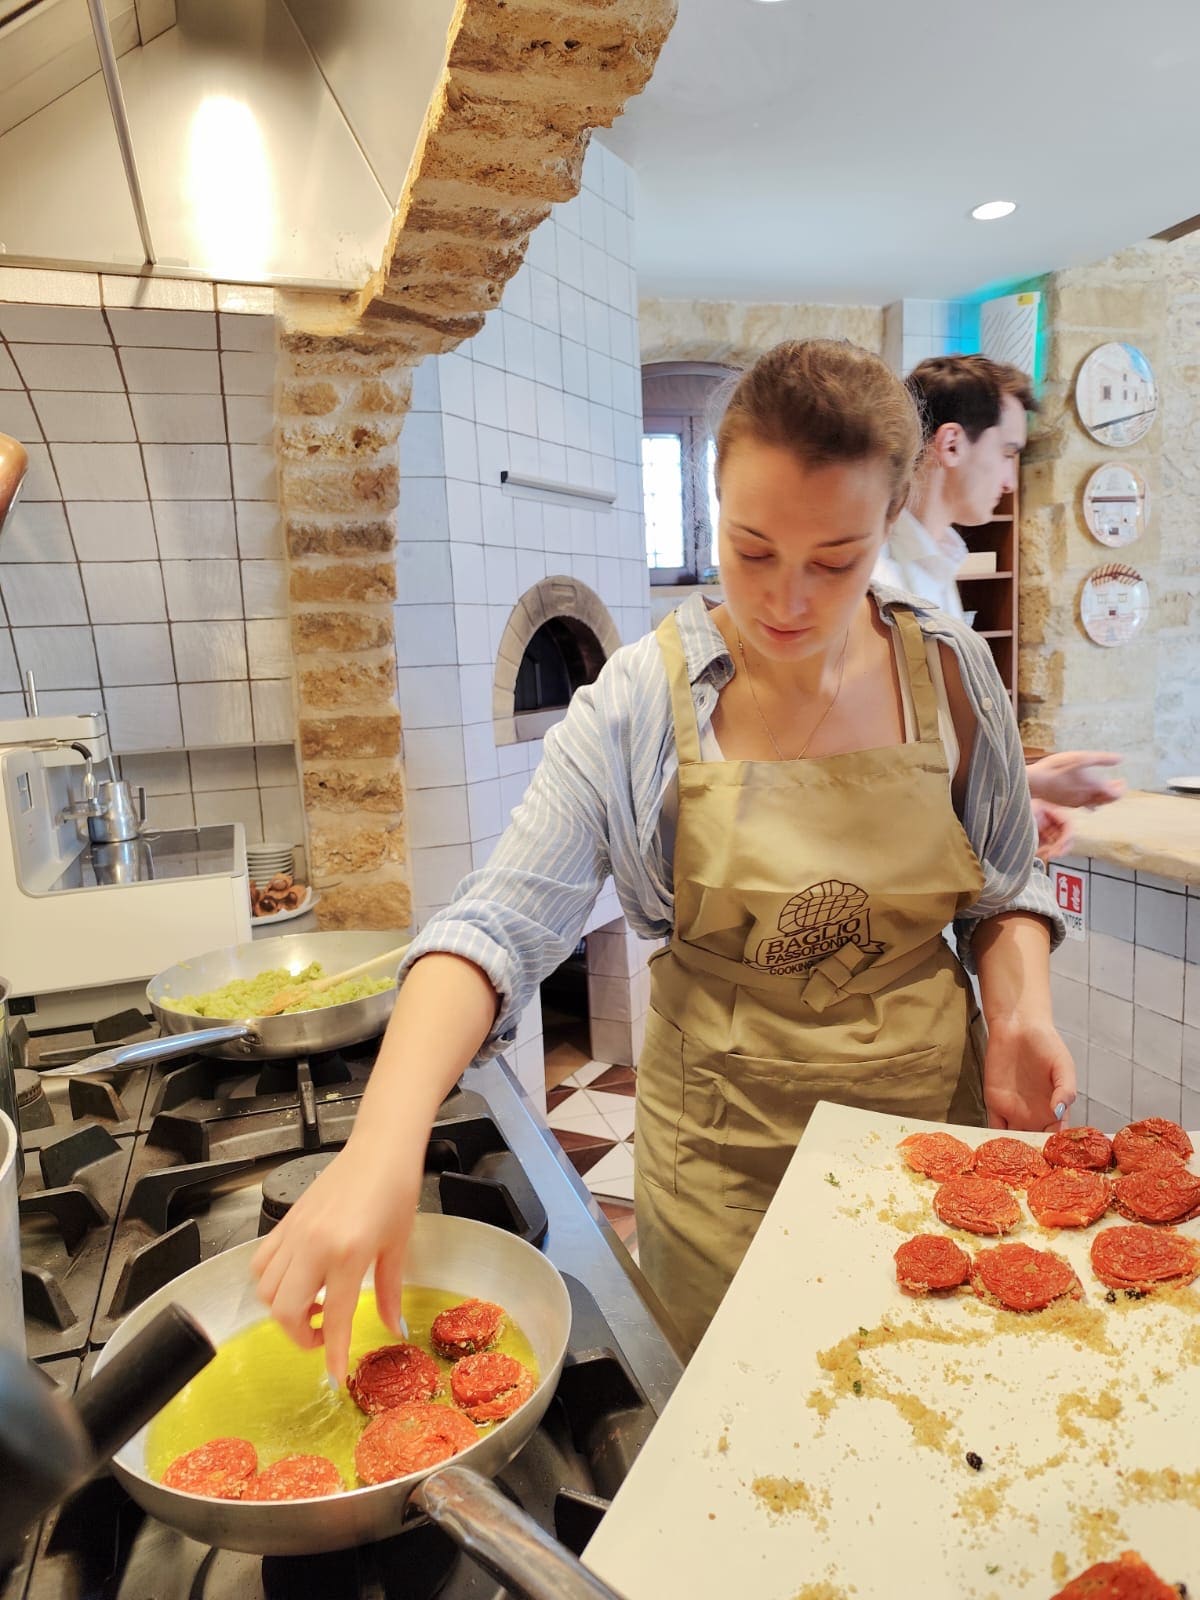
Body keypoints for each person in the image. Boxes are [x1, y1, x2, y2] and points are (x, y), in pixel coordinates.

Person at [254, 339, 1073, 1369]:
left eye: (835, 561)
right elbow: (496, 922)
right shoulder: (641, 698)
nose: (786, 600)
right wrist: (383, 1140)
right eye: (751, 548)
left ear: (892, 516)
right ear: (712, 503)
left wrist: (1021, 1010)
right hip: (725, 1165)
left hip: (927, 1138)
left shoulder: (950, 672)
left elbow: (1002, 883)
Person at [874, 355, 1125, 857]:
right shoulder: (879, 580)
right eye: (1008, 452)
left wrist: (1022, 795)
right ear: (951, 444)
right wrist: (1029, 782)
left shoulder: (936, 565)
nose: (1011, 480)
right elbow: (888, 762)